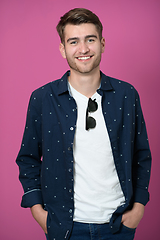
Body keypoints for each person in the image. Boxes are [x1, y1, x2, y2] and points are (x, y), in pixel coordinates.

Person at [16, 8, 151, 240]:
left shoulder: (126, 95)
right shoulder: (42, 99)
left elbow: (142, 155)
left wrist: (138, 207)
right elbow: (28, 158)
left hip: (119, 225)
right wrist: (38, 212)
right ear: (62, 49)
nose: (83, 49)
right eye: (73, 41)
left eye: (90, 39)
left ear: (102, 43)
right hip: (65, 226)